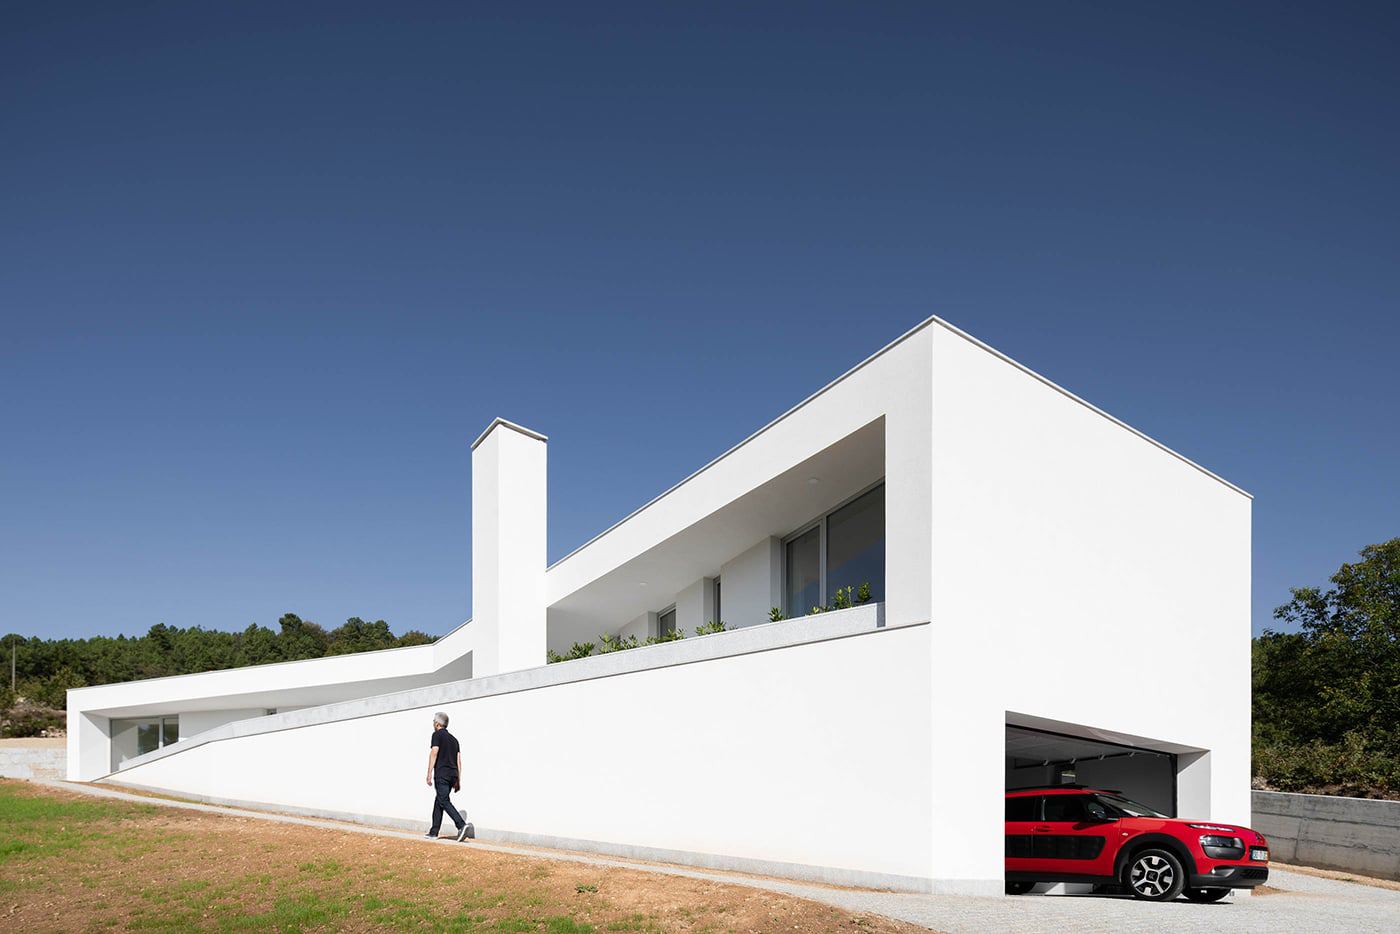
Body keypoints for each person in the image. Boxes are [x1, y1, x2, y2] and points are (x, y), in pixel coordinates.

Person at [424, 711, 471, 841]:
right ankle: (433, 832)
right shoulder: (454, 740)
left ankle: (461, 825)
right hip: (452, 775)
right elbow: (458, 761)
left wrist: (429, 773)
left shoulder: (437, 735)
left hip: (442, 774)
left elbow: (434, 752)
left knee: (443, 800)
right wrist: (458, 779)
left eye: (434, 721)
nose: (433, 723)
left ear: (438, 723)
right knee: (439, 801)